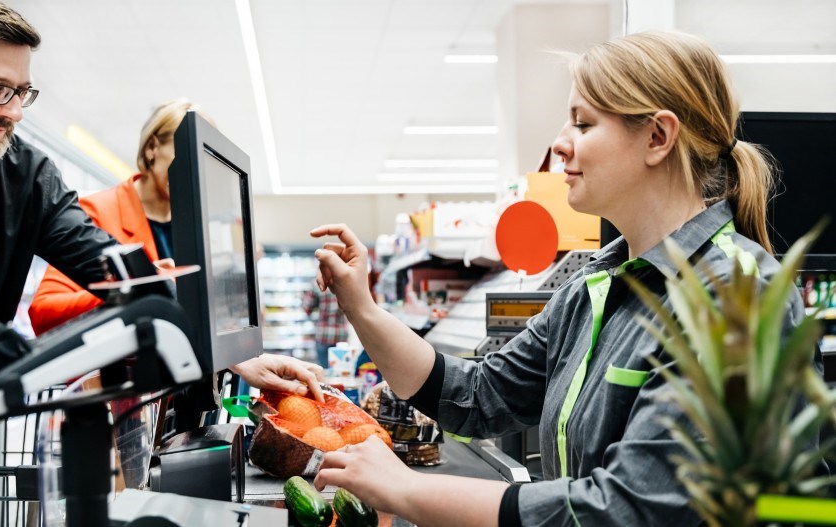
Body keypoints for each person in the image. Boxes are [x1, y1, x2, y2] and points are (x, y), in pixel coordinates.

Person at [309, 31, 811, 526]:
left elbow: (630, 508)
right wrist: (362, 306)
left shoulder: (737, 297)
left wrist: (409, 491)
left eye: (583, 123)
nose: (559, 145)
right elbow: (477, 395)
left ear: (657, 138)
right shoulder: (595, 287)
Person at [0, 0, 315, 451]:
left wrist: (229, 349)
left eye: (22, 92)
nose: (15, 112)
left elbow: (111, 265)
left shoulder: (24, 178)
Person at [27, 98, 325, 406]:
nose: (193, 171)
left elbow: (220, 322)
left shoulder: (203, 226)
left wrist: (238, 285)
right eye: (184, 153)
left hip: (182, 399)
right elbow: (44, 314)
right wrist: (144, 286)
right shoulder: (98, 212)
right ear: (152, 147)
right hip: (119, 403)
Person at [302, 282, 349, 369]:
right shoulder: (345, 282)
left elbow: (307, 308)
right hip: (341, 334)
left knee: (324, 370)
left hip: (323, 333)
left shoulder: (318, 284)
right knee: (341, 369)